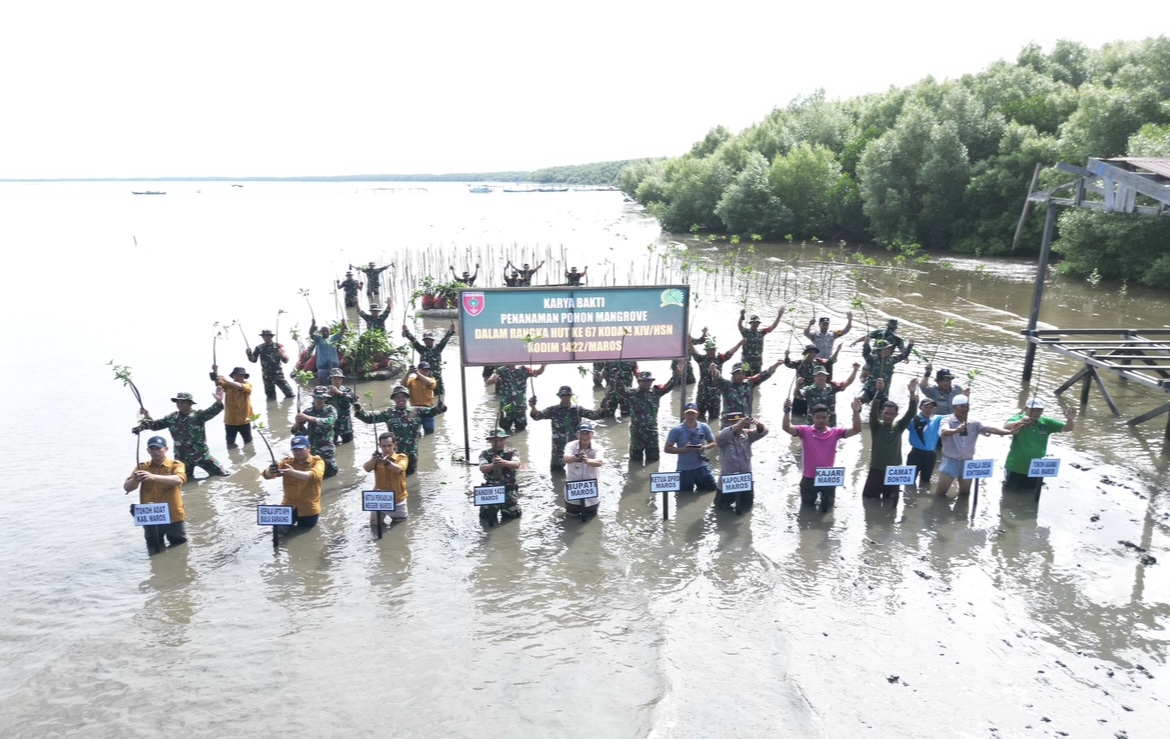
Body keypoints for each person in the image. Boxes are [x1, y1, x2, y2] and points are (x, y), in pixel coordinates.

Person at [782, 397, 863, 512]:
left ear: (828, 419)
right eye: (818, 417)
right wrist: (786, 412)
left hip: (828, 477)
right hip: (809, 478)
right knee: (807, 510)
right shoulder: (805, 431)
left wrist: (856, 412)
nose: (821, 420)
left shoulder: (835, 432)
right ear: (812, 418)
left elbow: (856, 429)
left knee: (828, 510)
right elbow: (786, 428)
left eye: (824, 417)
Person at [135, 388, 228, 478]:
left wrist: (218, 402)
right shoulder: (172, 417)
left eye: (183, 402)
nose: (180, 404)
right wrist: (146, 419)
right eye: (178, 402)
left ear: (190, 403)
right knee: (182, 481)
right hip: (182, 458)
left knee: (222, 474)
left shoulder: (198, 415)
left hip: (201, 455)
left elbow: (212, 411)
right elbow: (155, 426)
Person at [354, 385, 446, 475]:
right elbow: (369, 418)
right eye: (397, 397)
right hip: (394, 454)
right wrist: (359, 410)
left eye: (403, 397)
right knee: (394, 477)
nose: (400, 399)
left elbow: (434, 411)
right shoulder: (388, 413)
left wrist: (440, 407)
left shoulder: (417, 411)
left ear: (407, 398)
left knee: (410, 477)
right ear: (393, 399)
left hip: (411, 453)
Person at [935, 395, 1015, 498]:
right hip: (951, 461)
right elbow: (944, 431)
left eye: (967, 406)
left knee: (965, 493)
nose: (965, 409)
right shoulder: (947, 420)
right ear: (954, 407)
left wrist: (1010, 432)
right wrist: (956, 430)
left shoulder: (974, 422)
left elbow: (992, 429)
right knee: (940, 494)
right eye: (962, 406)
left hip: (968, 461)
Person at [123, 435, 188, 551]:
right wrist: (135, 479)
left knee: (179, 549)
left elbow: (178, 480)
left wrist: (153, 477)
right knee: (153, 548)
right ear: (148, 450)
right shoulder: (142, 467)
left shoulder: (176, 465)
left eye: (159, 449)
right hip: (150, 516)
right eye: (152, 449)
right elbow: (127, 488)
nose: (155, 452)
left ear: (166, 449)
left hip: (173, 515)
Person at [605, 368, 679, 465]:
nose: (646, 383)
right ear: (639, 381)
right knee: (635, 460)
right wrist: (618, 379)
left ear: (652, 381)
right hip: (637, 433)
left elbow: (670, 385)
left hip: (652, 432)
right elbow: (620, 391)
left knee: (653, 461)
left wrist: (678, 373)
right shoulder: (632, 393)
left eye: (649, 381)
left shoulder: (656, 392)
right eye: (644, 381)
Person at [862, 378, 919, 501]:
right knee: (869, 499)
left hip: (894, 470)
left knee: (891, 500)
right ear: (882, 413)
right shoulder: (876, 426)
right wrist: (879, 392)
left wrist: (912, 394)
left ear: (896, 415)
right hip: (876, 468)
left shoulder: (899, 426)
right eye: (886, 413)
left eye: (892, 414)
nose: (888, 416)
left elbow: (911, 412)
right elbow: (872, 413)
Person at [1003, 399, 1077, 492]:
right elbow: (1005, 427)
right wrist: (1020, 422)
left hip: (1036, 467)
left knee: (1030, 492)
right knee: (1009, 491)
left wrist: (1069, 420)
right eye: (1033, 409)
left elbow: (1067, 429)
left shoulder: (1047, 422)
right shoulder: (1018, 419)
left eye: (1039, 410)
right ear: (1026, 409)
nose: (1036, 412)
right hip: (1016, 465)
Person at [528, 385, 604, 473]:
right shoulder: (553, 410)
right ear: (560, 396)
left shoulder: (577, 410)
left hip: (575, 449)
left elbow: (594, 415)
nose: (566, 398)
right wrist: (533, 407)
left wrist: (602, 407)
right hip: (558, 448)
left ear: (571, 396)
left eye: (568, 395)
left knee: (579, 472)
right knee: (556, 472)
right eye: (563, 395)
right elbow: (537, 416)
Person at [261, 435, 324, 532]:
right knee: (279, 531)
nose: (298, 452)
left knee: (304, 534)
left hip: (309, 509)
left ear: (309, 448)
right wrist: (271, 470)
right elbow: (266, 476)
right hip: (288, 506)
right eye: (295, 450)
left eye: (300, 449)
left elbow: (315, 476)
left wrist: (293, 473)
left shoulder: (317, 461)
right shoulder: (287, 462)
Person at [715, 411, 768, 512]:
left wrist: (758, 424)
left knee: (747, 508)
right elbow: (720, 437)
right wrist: (739, 424)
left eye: (740, 422)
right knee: (721, 508)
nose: (738, 426)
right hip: (728, 480)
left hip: (744, 480)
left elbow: (764, 432)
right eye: (732, 423)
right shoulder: (722, 437)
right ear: (726, 424)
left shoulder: (748, 435)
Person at [664, 402, 718, 492]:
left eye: (693, 413)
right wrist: (683, 450)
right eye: (688, 413)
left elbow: (713, 443)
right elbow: (667, 448)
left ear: (697, 414)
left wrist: (704, 447)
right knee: (683, 496)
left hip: (702, 467)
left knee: (710, 490)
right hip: (684, 469)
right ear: (683, 414)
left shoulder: (704, 427)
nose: (690, 416)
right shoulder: (676, 430)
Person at [690, 335, 744, 421]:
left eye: (712, 349)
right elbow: (693, 352)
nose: (711, 351)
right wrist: (689, 343)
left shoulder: (719, 359)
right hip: (702, 394)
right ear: (706, 350)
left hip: (715, 396)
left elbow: (730, 353)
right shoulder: (701, 359)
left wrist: (739, 344)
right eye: (709, 349)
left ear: (715, 349)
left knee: (714, 419)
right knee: (699, 418)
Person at [710, 359, 782, 418]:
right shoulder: (726, 385)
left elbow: (764, 374)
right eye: (738, 373)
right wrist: (714, 371)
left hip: (745, 423)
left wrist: (776, 365)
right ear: (733, 374)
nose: (740, 376)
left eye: (742, 373)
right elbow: (718, 378)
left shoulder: (749, 384)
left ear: (745, 374)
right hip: (729, 424)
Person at [363, 432, 409, 526]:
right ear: (379, 446)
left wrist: (387, 463)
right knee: (375, 527)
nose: (387, 449)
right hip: (380, 499)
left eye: (389, 445)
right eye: (384, 446)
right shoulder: (376, 459)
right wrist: (373, 459)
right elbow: (366, 468)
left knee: (400, 530)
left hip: (397, 501)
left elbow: (399, 469)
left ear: (395, 445)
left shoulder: (401, 457)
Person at [486, 363, 545, 434]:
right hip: (506, 408)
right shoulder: (500, 370)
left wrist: (543, 365)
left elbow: (537, 373)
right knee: (504, 431)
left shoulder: (524, 370)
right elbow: (489, 381)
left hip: (520, 407)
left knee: (521, 430)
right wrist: (493, 380)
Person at [292, 386, 338, 479]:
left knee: (331, 472)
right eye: (317, 398)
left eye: (322, 398)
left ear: (325, 398)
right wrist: (297, 422)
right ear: (313, 398)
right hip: (312, 447)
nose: (319, 400)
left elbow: (329, 421)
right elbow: (295, 432)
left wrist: (309, 418)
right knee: (314, 473)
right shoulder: (308, 411)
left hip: (327, 447)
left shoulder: (330, 409)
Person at [478, 428, 523, 521]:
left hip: (508, 490)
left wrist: (503, 462)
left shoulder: (513, 452)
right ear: (490, 441)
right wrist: (493, 465)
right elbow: (483, 468)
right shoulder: (485, 454)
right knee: (485, 517)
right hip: (490, 491)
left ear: (505, 440)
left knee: (513, 516)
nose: (498, 443)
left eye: (500, 440)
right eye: (494, 440)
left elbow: (516, 464)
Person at [794, 364, 859, 426]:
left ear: (826, 377)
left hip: (830, 423)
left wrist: (855, 370)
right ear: (814, 377)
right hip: (812, 423)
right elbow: (797, 395)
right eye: (819, 375)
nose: (821, 378)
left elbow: (848, 382)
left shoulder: (832, 388)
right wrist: (798, 385)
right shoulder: (808, 390)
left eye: (823, 375)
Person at [402, 322, 456, 396]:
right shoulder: (421, 349)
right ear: (424, 341)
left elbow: (445, 339)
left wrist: (450, 331)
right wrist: (407, 332)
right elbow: (413, 340)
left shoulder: (438, 348)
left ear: (433, 340)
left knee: (439, 396)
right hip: (424, 378)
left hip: (436, 378)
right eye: (426, 340)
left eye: (429, 340)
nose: (427, 341)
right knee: (424, 395)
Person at [563, 421, 604, 517]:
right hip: (573, 489)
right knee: (571, 516)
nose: (585, 437)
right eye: (582, 433)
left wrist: (587, 460)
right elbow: (565, 459)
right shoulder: (570, 445)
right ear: (578, 435)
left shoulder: (598, 447)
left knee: (591, 517)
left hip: (591, 490)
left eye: (587, 433)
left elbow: (599, 462)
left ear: (592, 434)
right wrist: (575, 457)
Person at [858, 337, 914, 403]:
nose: (891, 349)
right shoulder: (872, 359)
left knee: (886, 409)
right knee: (858, 400)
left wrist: (910, 345)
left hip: (883, 392)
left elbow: (903, 355)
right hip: (869, 389)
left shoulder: (891, 360)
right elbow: (865, 354)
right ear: (881, 350)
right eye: (888, 348)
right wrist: (866, 344)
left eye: (890, 348)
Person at [212, 365, 254, 447]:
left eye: (240, 375)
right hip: (230, 421)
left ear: (244, 377)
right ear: (233, 376)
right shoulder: (227, 386)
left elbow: (240, 386)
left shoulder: (247, 385)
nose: (238, 377)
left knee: (248, 442)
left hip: (244, 420)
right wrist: (215, 371)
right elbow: (218, 382)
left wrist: (225, 380)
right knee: (230, 443)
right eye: (236, 375)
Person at [246, 329, 294, 400]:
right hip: (267, 376)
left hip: (278, 375)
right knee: (271, 398)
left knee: (290, 394)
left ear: (271, 337)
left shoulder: (279, 346)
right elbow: (253, 360)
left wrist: (282, 356)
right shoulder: (259, 348)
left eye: (267, 336)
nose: (265, 338)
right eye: (263, 336)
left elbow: (286, 360)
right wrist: (249, 355)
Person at [907, 397, 944, 489]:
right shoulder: (913, 420)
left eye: (931, 407)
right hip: (915, 454)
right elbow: (901, 423)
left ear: (934, 409)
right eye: (926, 407)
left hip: (930, 456)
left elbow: (954, 415)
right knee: (909, 481)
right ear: (920, 407)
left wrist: (965, 398)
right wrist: (912, 400)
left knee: (926, 481)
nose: (928, 409)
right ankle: (909, 500)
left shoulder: (937, 419)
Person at [737, 307, 785, 374]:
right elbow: (739, 326)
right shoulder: (746, 332)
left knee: (756, 381)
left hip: (758, 362)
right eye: (753, 322)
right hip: (746, 361)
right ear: (750, 323)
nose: (755, 324)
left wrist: (779, 316)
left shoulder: (761, 332)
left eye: (757, 322)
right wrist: (741, 315)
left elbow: (772, 327)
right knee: (744, 380)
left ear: (759, 323)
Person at [405, 362, 441, 435]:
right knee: (414, 433)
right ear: (418, 369)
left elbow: (429, 383)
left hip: (427, 409)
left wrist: (417, 373)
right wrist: (408, 372)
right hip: (414, 409)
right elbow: (403, 384)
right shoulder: (411, 380)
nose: (426, 372)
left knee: (429, 432)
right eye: (423, 370)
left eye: (427, 370)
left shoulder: (432, 380)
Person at [309, 319, 346, 388]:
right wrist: (312, 325)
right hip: (323, 367)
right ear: (321, 332)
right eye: (323, 331)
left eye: (327, 330)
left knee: (336, 385)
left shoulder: (333, 337)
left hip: (334, 367)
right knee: (323, 386)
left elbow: (341, 333)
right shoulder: (319, 338)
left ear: (330, 331)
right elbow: (311, 334)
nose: (325, 332)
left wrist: (343, 324)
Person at [326, 368, 355, 445]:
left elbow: (354, 400)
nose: (337, 381)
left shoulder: (347, 390)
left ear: (342, 380)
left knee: (349, 446)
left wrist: (340, 393)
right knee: (331, 445)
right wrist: (327, 395)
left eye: (339, 378)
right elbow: (316, 403)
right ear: (330, 379)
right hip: (331, 425)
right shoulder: (324, 391)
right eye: (334, 378)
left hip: (345, 424)